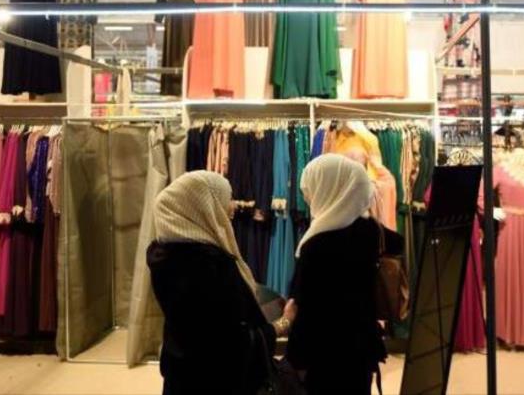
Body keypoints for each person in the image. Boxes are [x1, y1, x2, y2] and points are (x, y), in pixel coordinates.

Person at [147, 171, 296, 395]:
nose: (232, 208)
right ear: (203, 208)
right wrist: (283, 323)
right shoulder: (211, 266)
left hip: (181, 376)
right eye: (224, 200)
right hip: (218, 382)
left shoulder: (166, 256)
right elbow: (233, 346)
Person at [287, 154, 402, 394]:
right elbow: (398, 243)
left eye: (310, 191)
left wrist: (294, 359)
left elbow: (306, 312)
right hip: (361, 346)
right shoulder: (370, 230)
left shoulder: (315, 246)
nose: (308, 198)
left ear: (327, 189)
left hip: (325, 355)